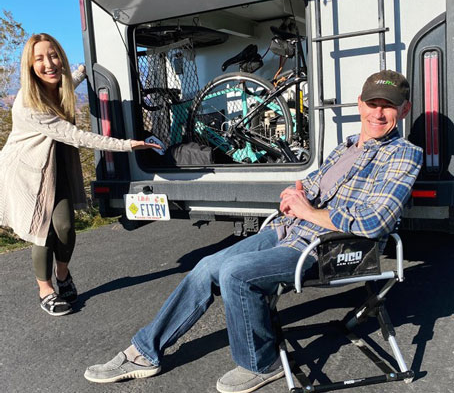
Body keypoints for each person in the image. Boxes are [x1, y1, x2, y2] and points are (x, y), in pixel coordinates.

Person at [83, 70, 423, 393]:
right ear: (360, 103)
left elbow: (375, 220)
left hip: (330, 248)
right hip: (288, 231)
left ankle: (262, 364)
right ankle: (146, 351)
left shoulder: (404, 155)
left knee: (236, 274)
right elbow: (313, 184)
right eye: (373, 103)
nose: (379, 113)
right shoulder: (345, 148)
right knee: (205, 267)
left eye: (389, 106)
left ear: (404, 109)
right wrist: (297, 193)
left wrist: (309, 210)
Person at [0, 33, 162, 317]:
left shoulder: (55, 87)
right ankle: (45, 289)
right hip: (26, 172)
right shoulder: (28, 101)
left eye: (53, 55)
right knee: (43, 232)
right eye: (39, 58)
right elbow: (75, 135)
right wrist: (128, 145)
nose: (49, 63)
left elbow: (67, 86)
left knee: (64, 227)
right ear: (29, 65)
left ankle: (63, 276)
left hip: (55, 165)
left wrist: (81, 72)